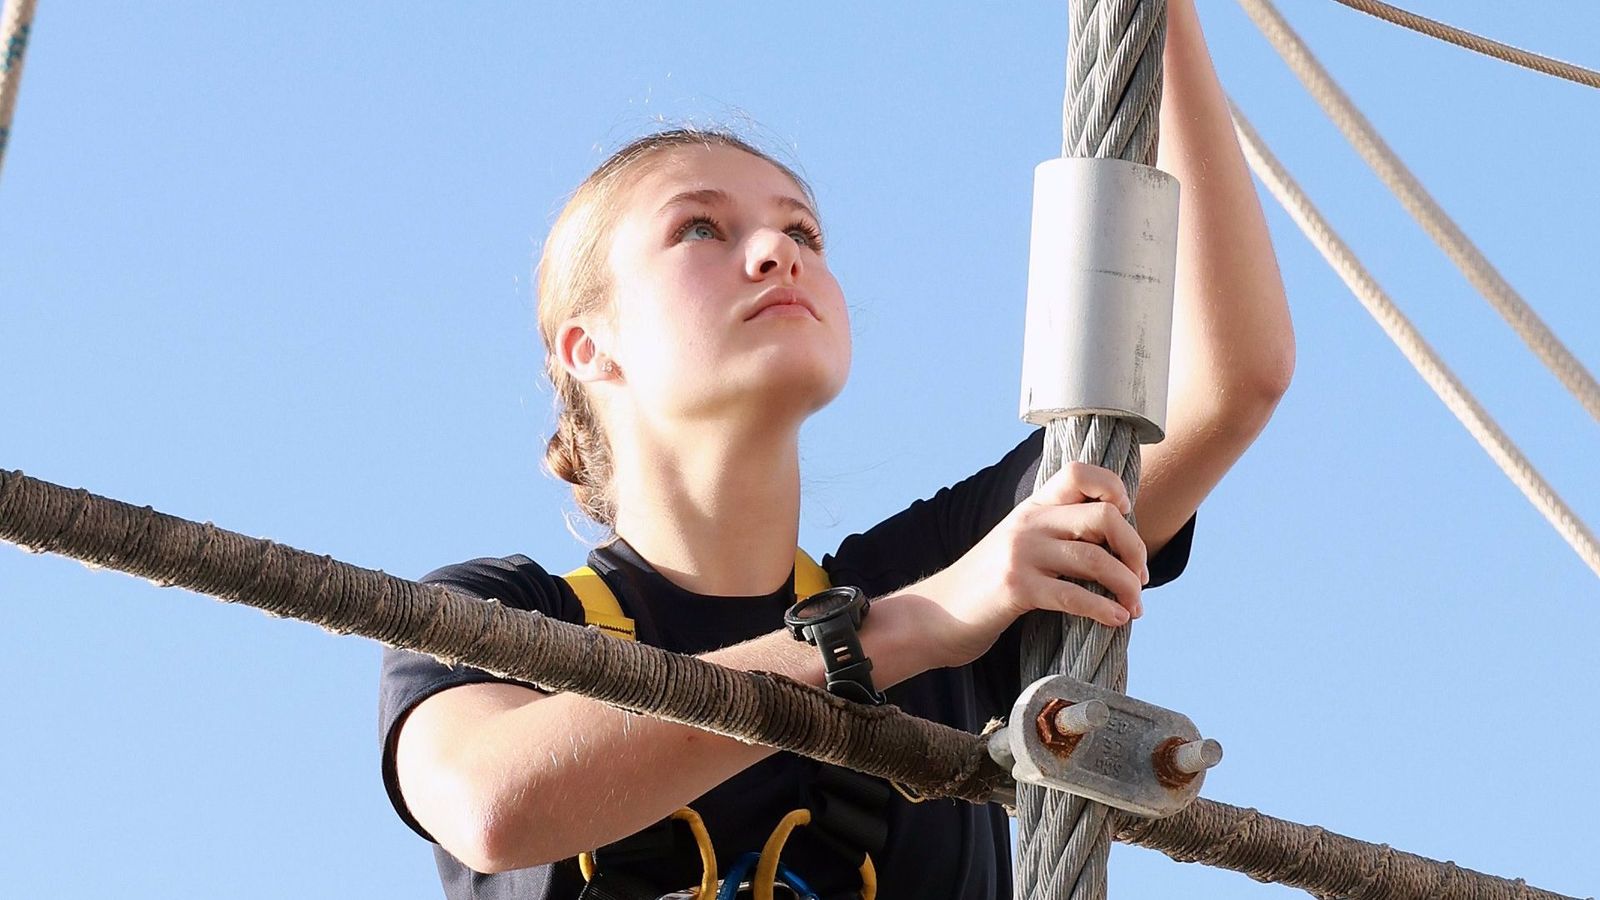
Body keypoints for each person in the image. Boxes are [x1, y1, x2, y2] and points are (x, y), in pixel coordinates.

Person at [378, 3, 1293, 897]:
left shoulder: (949, 569)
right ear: (589, 345)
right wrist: (901, 633)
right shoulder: (496, 616)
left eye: (805, 231)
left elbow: (1225, 383)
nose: (778, 247)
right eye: (701, 227)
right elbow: (491, 804)